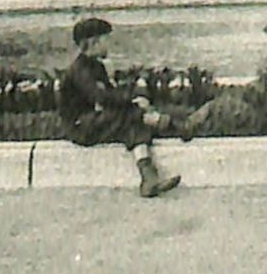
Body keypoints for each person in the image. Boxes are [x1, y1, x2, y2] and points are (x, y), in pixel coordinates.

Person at [57, 18, 193, 198]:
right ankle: (175, 126)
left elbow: (112, 94)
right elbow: (102, 98)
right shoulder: (80, 70)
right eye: (106, 39)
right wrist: (134, 101)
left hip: (91, 119)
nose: (109, 44)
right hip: (79, 126)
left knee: (132, 122)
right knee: (130, 115)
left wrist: (134, 97)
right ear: (93, 42)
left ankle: (149, 179)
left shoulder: (95, 66)